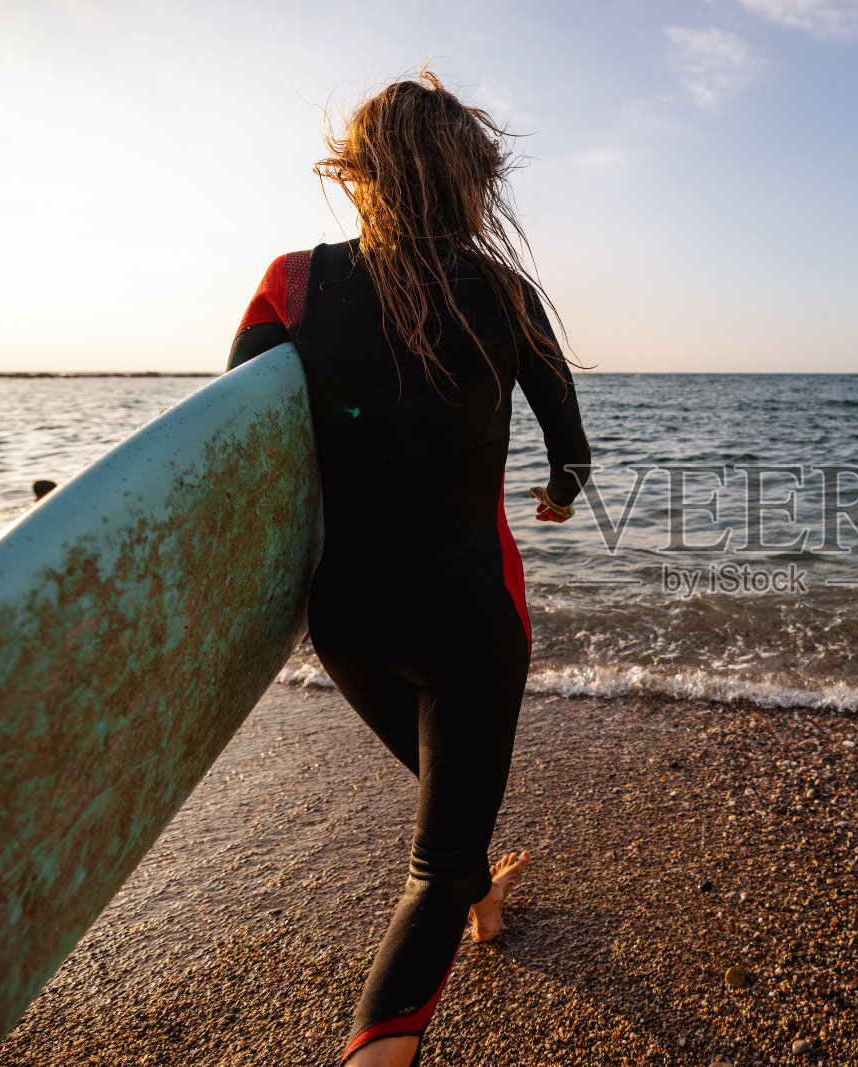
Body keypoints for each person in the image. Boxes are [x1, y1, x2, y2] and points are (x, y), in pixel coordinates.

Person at [227, 72, 591, 1067]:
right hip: (470, 617)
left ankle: (485, 903)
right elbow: (571, 454)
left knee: (446, 792)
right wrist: (555, 502)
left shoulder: (290, 281)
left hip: (343, 619)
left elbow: (242, 453)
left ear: (356, 173)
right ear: (477, 181)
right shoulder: (505, 293)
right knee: (440, 853)